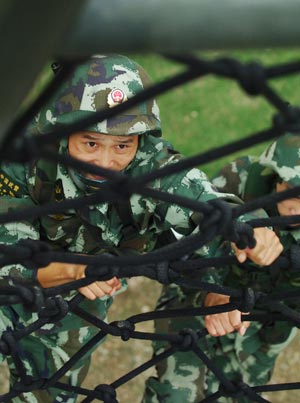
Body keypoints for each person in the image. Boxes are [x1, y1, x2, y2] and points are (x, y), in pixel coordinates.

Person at [0, 54, 282, 403]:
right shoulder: (21, 159)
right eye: (90, 143)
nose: (106, 162)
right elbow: (7, 257)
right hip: (27, 278)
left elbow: (204, 200)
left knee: (47, 390)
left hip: (83, 292)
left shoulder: (152, 163)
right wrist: (73, 268)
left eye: (122, 145)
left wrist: (246, 229)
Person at [144, 133, 300, 403]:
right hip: (196, 299)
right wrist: (213, 293)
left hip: (265, 326)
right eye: (291, 191)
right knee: (176, 395)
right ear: (277, 175)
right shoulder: (239, 178)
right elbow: (183, 247)